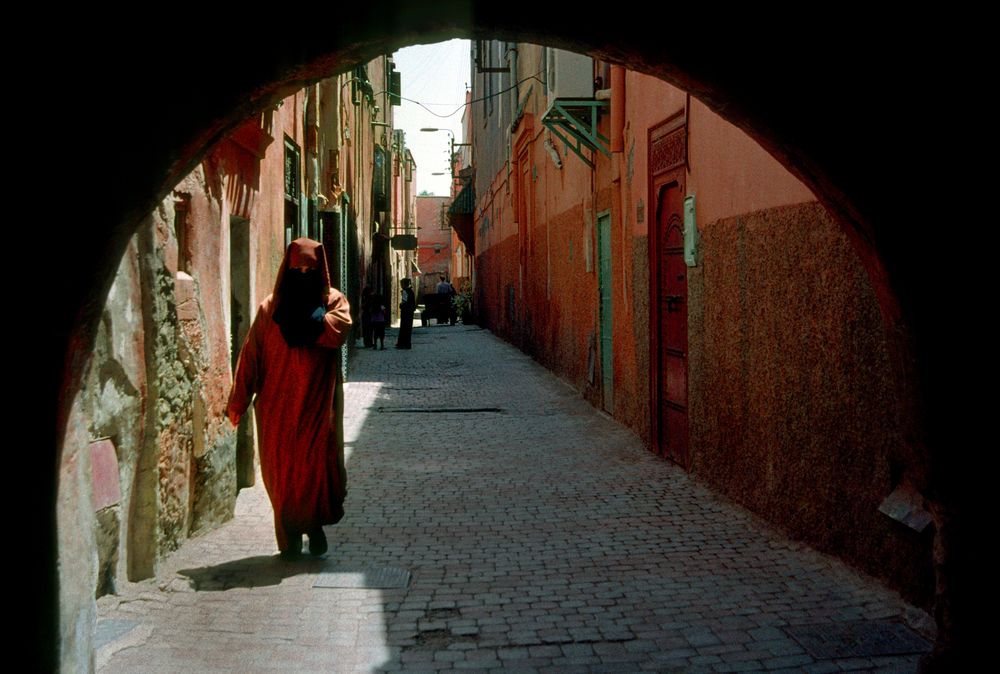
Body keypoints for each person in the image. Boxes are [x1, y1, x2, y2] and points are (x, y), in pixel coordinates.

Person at [226, 238, 352, 559]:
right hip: (276, 410)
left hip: (314, 407)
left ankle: (314, 527)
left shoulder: (334, 302)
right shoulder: (270, 309)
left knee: (311, 470)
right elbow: (251, 355)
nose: (303, 273)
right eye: (297, 268)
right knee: (281, 475)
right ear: (287, 268)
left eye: (309, 269)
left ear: (320, 268)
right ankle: (289, 538)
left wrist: (310, 319)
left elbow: (339, 330)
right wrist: (238, 400)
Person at [395, 277, 415, 349]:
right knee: (408, 328)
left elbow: (404, 302)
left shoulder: (405, 291)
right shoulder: (411, 291)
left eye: (401, 284)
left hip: (405, 312)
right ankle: (407, 343)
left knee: (404, 328)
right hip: (410, 312)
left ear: (404, 284)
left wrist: (401, 305)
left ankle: (402, 343)